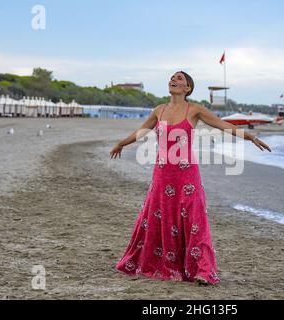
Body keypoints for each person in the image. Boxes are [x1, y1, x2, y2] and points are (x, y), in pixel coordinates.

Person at [110, 71, 271, 285]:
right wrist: (121, 143)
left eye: (179, 79)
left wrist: (251, 137)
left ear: (187, 88)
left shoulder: (194, 109)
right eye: (171, 78)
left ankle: (202, 271)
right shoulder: (159, 110)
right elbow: (141, 132)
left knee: (195, 221)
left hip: (187, 176)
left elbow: (223, 125)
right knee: (160, 217)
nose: (173, 80)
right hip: (162, 175)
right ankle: (165, 263)